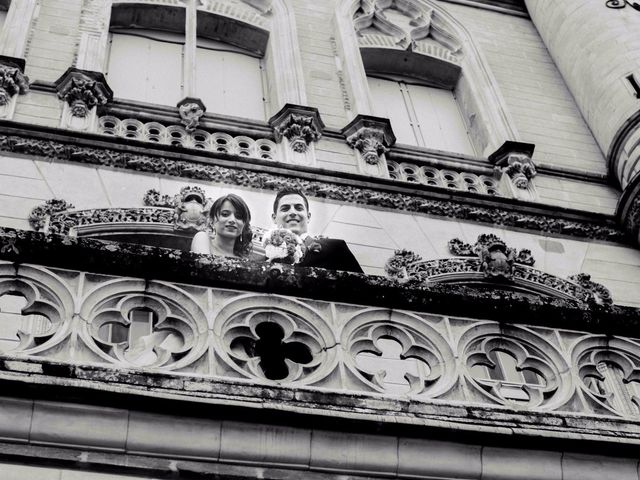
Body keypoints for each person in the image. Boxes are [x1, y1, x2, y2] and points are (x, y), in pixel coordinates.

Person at [272, 188, 363, 273]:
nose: (292, 212)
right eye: (285, 208)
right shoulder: (264, 253)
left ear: (308, 217)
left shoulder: (336, 249)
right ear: (274, 218)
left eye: (299, 208)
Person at [191, 193, 253, 258]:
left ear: (244, 225)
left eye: (239, 216)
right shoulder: (202, 238)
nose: (232, 220)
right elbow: (204, 267)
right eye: (225, 214)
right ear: (212, 221)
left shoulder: (243, 258)